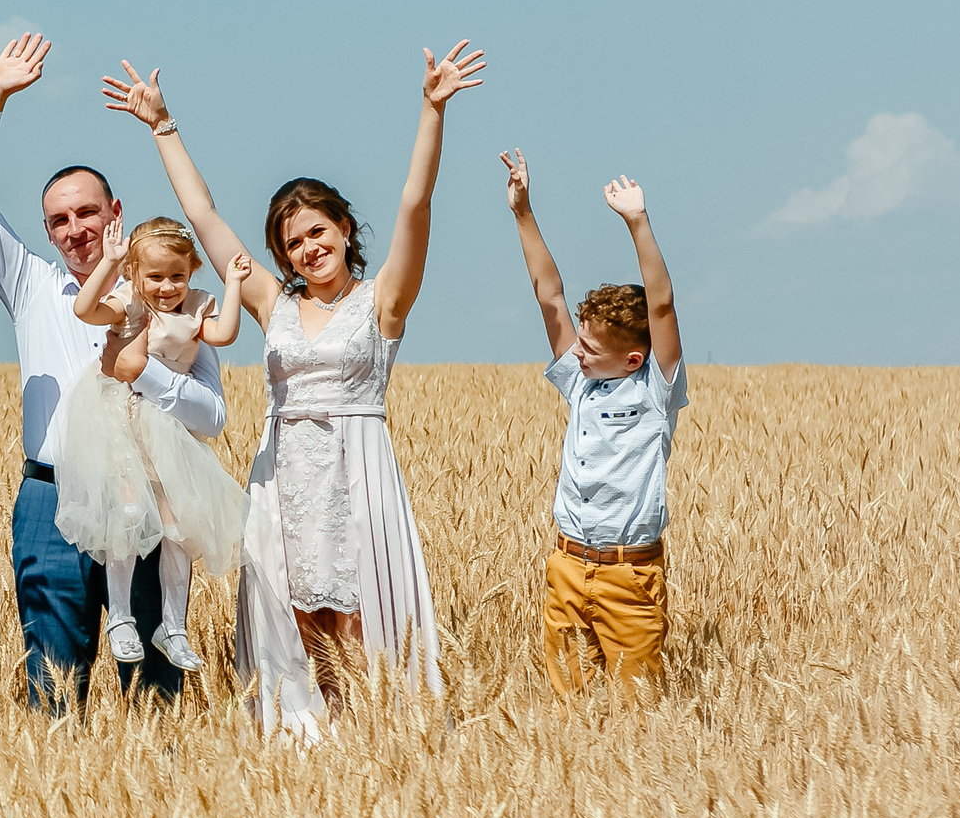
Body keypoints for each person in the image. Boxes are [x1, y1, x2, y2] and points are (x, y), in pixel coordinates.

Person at [103, 43, 487, 738]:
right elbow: (206, 218)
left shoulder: (382, 303)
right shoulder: (272, 302)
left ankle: (376, 736)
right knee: (295, 607)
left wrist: (432, 111)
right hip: (282, 472)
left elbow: (415, 203)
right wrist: (162, 126)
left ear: (344, 229)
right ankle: (309, 739)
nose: (308, 247)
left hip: (356, 466)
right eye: (293, 241)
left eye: (318, 231)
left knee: (362, 605)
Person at [0, 36, 232, 707]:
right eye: (58, 220)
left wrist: (142, 373)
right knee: (50, 682)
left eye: (86, 213)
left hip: (151, 489)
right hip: (53, 501)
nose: (74, 229)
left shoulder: (171, 299)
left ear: (116, 216)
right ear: (46, 232)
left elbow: (212, 417)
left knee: (155, 693)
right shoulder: (30, 286)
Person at [501, 152, 688, 699]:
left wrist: (638, 223)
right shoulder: (580, 382)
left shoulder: (656, 392)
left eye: (589, 346)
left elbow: (663, 306)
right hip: (566, 562)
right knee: (568, 713)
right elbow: (549, 294)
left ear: (633, 359)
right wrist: (523, 212)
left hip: (628, 577)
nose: (574, 352)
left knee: (636, 714)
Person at [56, 217, 250, 670]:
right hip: (120, 417)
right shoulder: (129, 302)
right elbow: (85, 310)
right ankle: (120, 617)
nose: (167, 287)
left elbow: (223, 334)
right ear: (136, 275)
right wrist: (107, 263)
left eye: (177, 276)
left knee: (178, 528)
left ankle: (172, 625)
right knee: (125, 514)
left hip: (168, 429)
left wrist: (236, 284)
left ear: (192, 271)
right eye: (155, 276)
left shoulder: (198, 306)